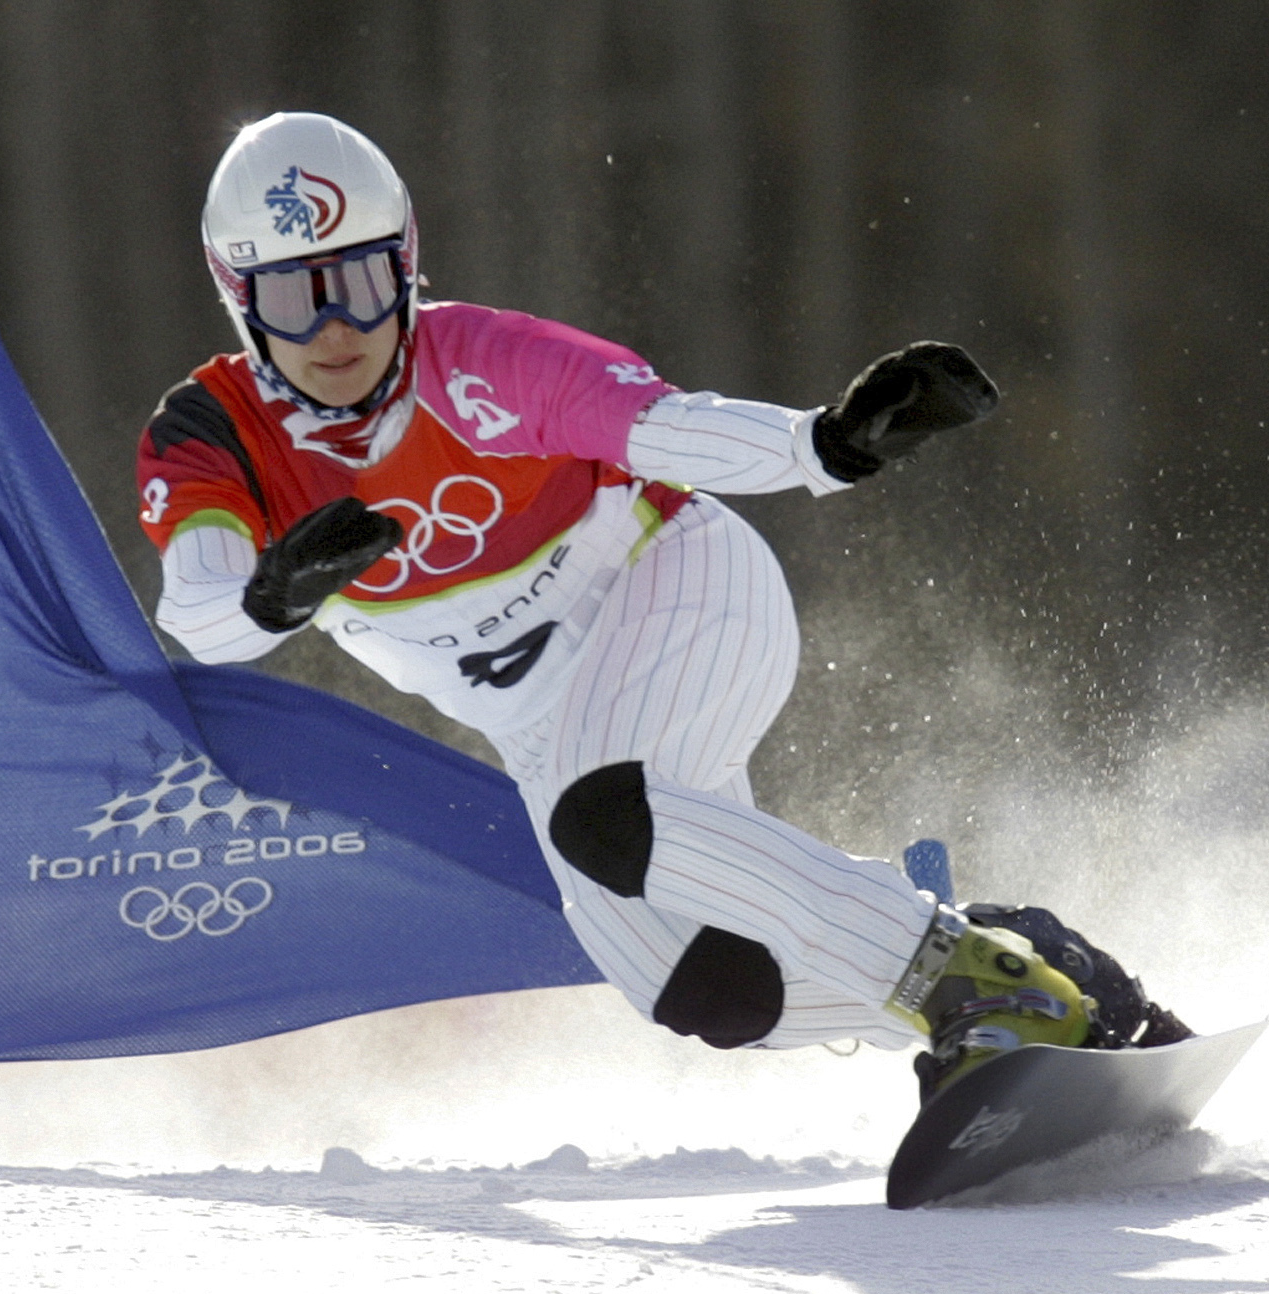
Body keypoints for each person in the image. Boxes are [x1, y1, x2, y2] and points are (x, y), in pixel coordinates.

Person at [135, 112, 1188, 1101]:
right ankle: (1041, 983)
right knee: (707, 989)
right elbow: (198, 606)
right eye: (291, 297)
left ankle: (969, 978)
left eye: (359, 283)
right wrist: (268, 599)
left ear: (405, 267)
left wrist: (818, 447)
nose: (334, 329)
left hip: (672, 589)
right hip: (541, 727)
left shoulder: (478, 360)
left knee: (605, 814)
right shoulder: (210, 434)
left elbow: (658, 425)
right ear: (238, 299)